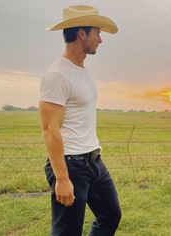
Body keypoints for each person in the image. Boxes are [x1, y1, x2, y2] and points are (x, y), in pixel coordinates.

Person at [39, 5, 121, 236]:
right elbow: (49, 129)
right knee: (67, 232)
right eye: (97, 32)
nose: (100, 39)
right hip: (71, 164)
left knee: (110, 215)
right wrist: (62, 178)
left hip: (94, 160)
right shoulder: (58, 75)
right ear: (82, 33)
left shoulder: (82, 71)